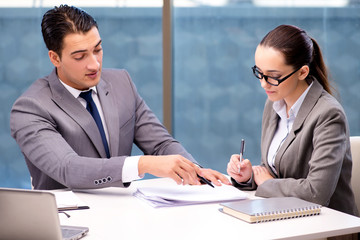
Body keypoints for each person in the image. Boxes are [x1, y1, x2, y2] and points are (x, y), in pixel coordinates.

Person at [10, 4, 230, 190]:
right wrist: (142, 164)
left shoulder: (121, 83)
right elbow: (69, 169)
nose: (94, 64)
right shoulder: (31, 108)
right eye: (80, 56)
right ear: (55, 58)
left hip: (125, 213)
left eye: (97, 50)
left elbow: (161, 144)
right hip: (68, 222)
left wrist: (194, 170)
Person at [227, 24, 358, 216]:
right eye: (259, 72)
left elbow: (316, 193)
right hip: (284, 215)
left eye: (273, 76)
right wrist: (249, 176)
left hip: (327, 225)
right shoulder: (273, 103)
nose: (263, 83)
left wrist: (268, 183)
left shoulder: (328, 114)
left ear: (302, 72)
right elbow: (273, 170)